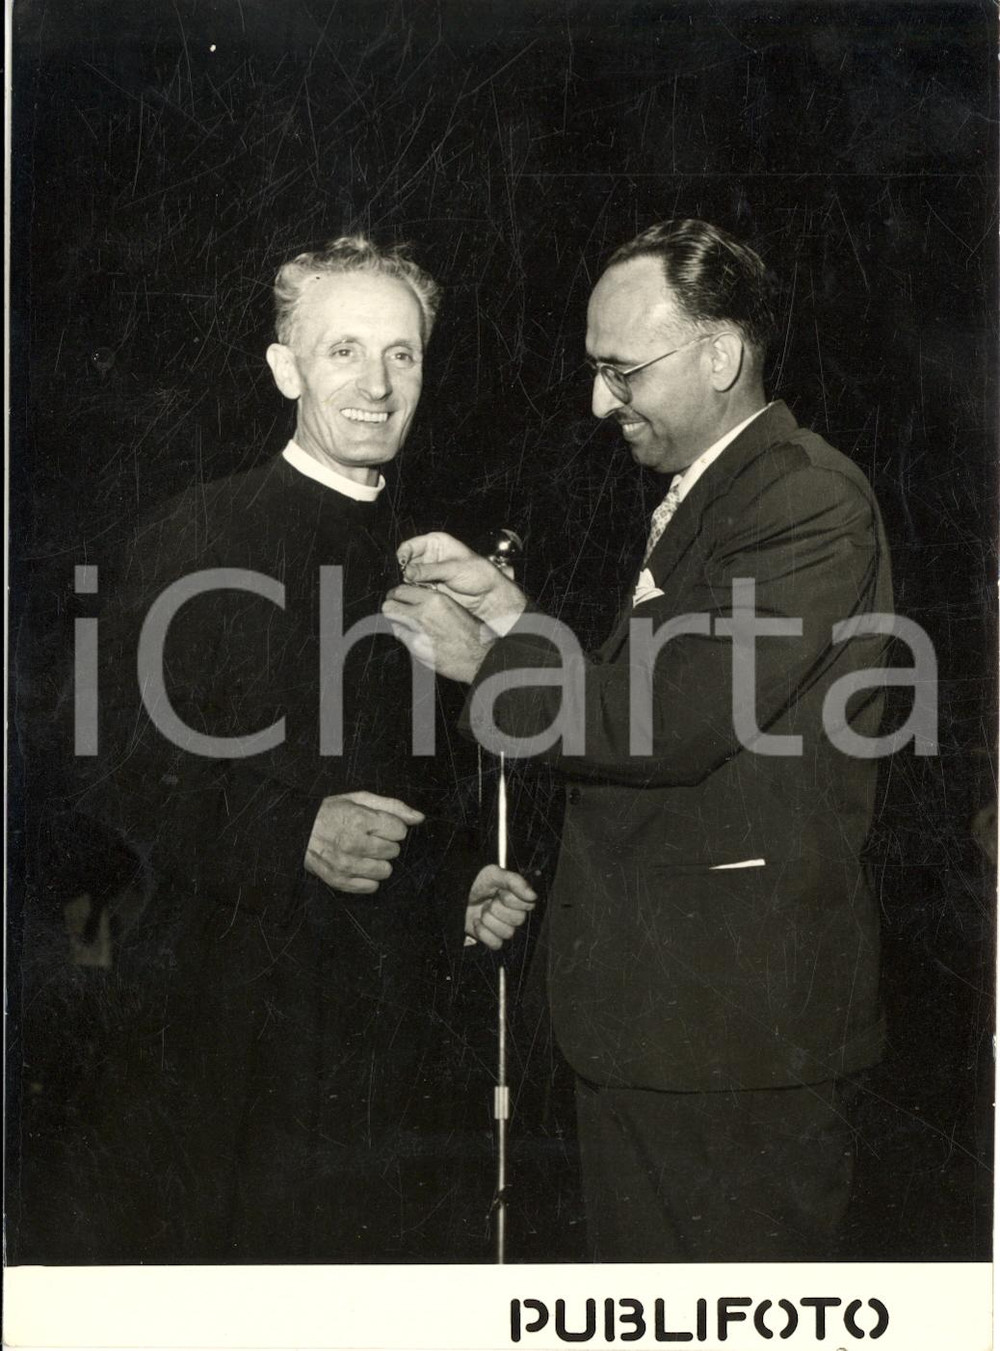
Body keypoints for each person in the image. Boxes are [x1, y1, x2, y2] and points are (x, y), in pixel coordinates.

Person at [383, 219, 894, 1262]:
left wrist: (485, 661)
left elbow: (663, 721)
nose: (596, 402)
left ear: (720, 355)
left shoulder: (802, 496)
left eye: (620, 371)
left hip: (733, 1042)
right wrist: (516, 618)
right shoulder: (720, 493)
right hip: (673, 1026)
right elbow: (649, 684)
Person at [57, 236, 535, 1263]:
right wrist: (292, 831)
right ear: (285, 369)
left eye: (401, 354)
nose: (376, 384)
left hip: (394, 1039)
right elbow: (107, 758)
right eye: (343, 352)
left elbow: (419, 785)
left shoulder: (433, 560)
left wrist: (457, 879)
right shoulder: (194, 534)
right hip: (225, 1038)